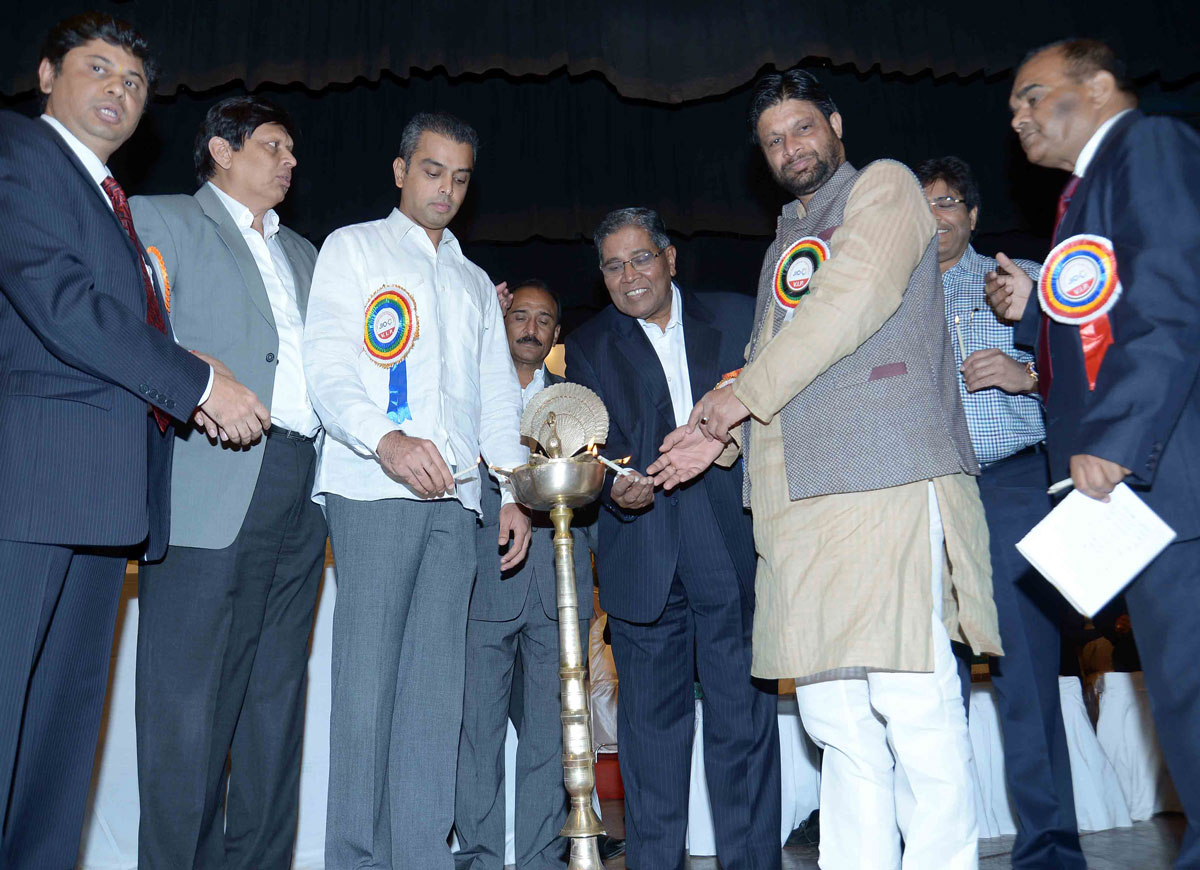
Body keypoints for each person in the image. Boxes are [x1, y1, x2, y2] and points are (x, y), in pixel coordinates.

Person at [649, 70, 1002, 870]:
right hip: (799, 506)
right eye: (773, 140)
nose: (790, 148)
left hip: (883, 478)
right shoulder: (787, 235)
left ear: (836, 124)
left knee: (913, 702)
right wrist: (717, 435)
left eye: (802, 128)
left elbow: (849, 302)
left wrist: (737, 402)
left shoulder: (884, 189)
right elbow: (766, 360)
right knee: (837, 723)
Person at [0, 13, 269, 867]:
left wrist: (187, 364)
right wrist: (197, 384)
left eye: (135, 82)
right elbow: (59, 303)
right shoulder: (17, 155)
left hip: (101, 499)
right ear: (46, 75)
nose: (119, 89)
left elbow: (116, 318)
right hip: (31, 489)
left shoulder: (107, 200)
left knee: (58, 739)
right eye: (98, 68)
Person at [988, 38, 1200, 868]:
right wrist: (1032, 314)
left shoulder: (1148, 147)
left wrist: (1114, 439)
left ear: (1101, 86)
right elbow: (1099, 329)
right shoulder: (1081, 198)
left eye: (1031, 96)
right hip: (1137, 491)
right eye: (1012, 108)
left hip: (1166, 469)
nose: (1018, 118)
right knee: (1179, 698)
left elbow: (1175, 297)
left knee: (1190, 689)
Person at [303, 111, 531, 870]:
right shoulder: (353, 247)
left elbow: (497, 400)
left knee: (437, 701)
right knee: (366, 693)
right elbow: (327, 364)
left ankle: (420, 859)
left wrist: (516, 493)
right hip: (372, 490)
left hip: (460, 504)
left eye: (461, 177)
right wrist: (386, 439)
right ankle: (356, 860)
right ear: (401, 171)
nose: (447, 189)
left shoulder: (470, 281)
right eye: (432, 171)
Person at [129, 96, 326, 870]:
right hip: (212, 476)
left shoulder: (308, 254)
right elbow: (135, 325)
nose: (290, 161)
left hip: (301, 483)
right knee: (188, 711)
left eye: (291, 149)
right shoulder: (163, 218)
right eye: (274, 145)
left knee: (275, 705)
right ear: (221, 148)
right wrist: (201, 379)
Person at [565, 207, 781, 870]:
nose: (629, 276)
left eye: (640, 259)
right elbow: (588, 449)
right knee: (650, 744)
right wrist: (612, 488)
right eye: (612, 265)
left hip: (728, 545)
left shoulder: (740, 318)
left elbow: (776, 413)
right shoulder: (589, 345)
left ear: (670, 259)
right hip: (642, 554)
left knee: (741, 731)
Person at [915, 155, 1086, 870]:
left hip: (1013, 487)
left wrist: (1028, 374)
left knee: (1025, 672)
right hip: (924, 497)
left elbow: (1094, 378)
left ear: (974, 214)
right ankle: (941, 848)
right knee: (929, 683)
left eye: (949, 201)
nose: (936, 217)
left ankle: (1047, 846)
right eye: (921, 206)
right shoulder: (891, 301)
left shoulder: (1023, 281)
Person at [455, 279, 597, 869]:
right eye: (519, 315)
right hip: (483, 580)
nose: (530, 327)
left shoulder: (577, 402)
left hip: (558, 590)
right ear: (500, 318)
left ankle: (541, 856)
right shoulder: (466, 389)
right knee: (477, 735)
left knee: (549, 736)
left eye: (544, 320)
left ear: (556, 334)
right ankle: (483, 858)